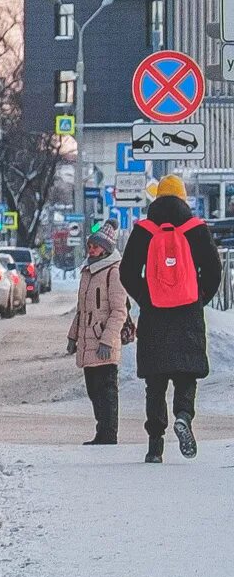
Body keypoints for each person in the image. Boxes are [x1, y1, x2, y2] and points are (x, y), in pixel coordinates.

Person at [121, 175, 224, 462]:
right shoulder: (196, 229)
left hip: (155, 314)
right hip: (188, 313)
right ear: (183, 199)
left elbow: (127, 272)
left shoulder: (144, 230)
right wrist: (198, 297)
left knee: (155, 381)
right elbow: (214, 271)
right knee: (186, 373)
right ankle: (183, 415)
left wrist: (147, 296)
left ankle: (155, 444)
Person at [67, 228, 131, 445]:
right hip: (88, 340)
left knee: (106, 390)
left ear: (106, 248)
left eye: (95, 246)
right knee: (93, 390)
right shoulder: (88, 271)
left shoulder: (114, 272)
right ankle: (101, 431)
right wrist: (73, 336)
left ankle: (109, 434)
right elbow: (82, 310)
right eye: (90, 246)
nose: (91, 249)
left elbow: (119, 311)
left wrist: (106, 340)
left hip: (104, 342)